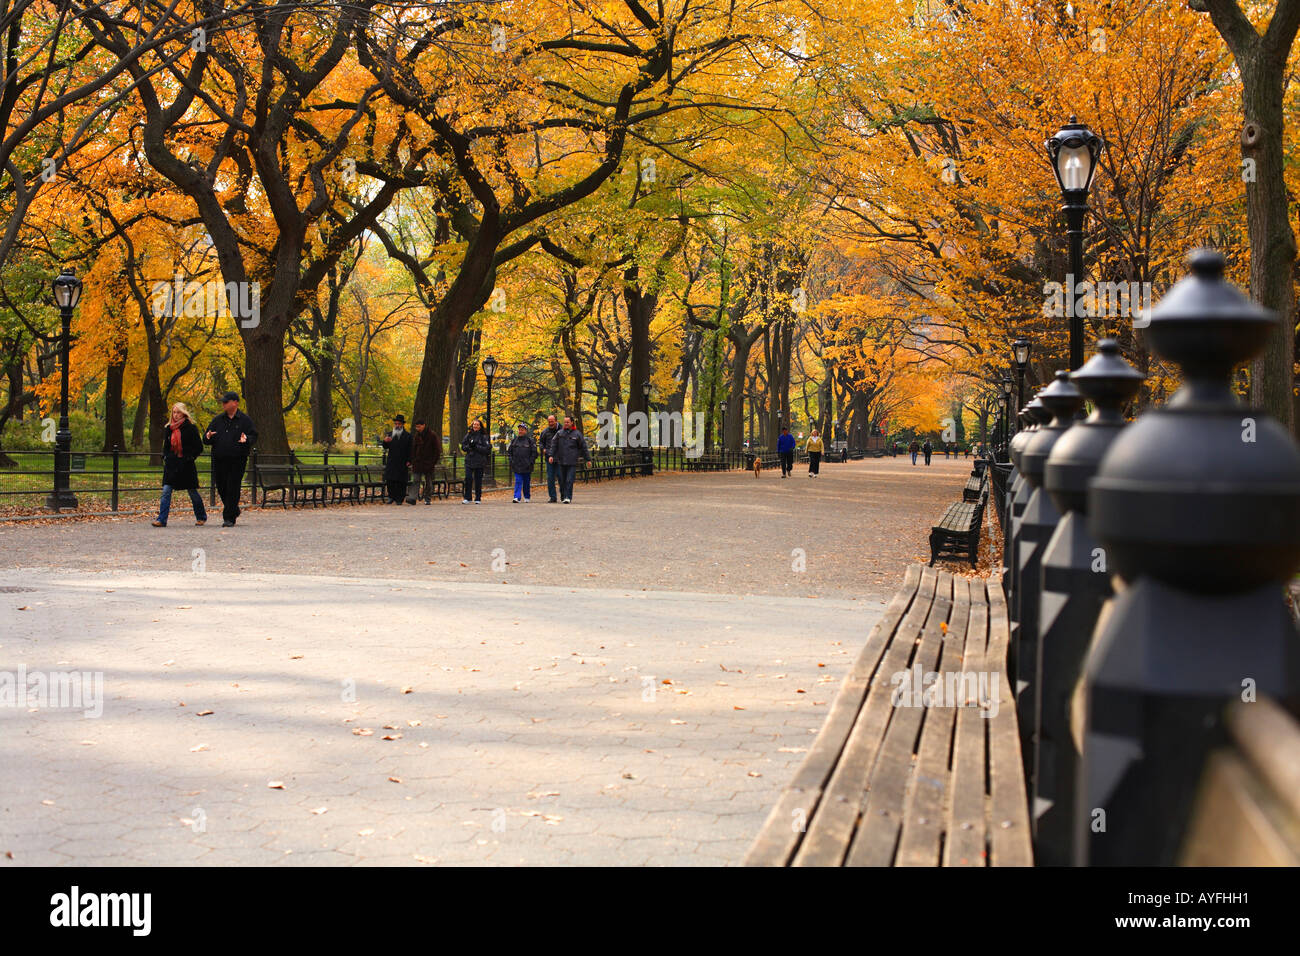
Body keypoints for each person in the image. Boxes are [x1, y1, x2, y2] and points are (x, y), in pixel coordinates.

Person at [204, 391, 257, 527]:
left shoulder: (245, 420)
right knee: (221, 486)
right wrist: (208, 436)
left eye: (226, 402)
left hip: (237, 459)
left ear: (235, 403)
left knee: (233, 486)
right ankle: (233, 509)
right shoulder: (217, 420)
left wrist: (247, 440)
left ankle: (229, 518)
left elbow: (253, 436)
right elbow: (206, 437)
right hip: (219, 458)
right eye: (223, 402)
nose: (223, 404)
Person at [152, 402, 207, 527]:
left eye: (178, 412)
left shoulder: (191, 428)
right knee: (166, 490)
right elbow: (166, 447)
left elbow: (198, 447)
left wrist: (190, 458)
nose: (175, 415)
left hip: (186, 466)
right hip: (171, 465)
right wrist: (166, 457)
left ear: (184, 413)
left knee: (192, 491)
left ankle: (201, 516)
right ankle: (162, 519)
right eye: (174, 412)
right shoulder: (169, 428)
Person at [548, 415, 589, 504]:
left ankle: (568, 497)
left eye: (567, 422)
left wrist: (588, 459)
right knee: (562, 480)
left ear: (572, 423)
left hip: (572, 461)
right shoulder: (559, 433)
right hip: (561, 461)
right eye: (565, 422)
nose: (566, 424)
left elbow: (583, 447)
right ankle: (563, 496)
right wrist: (551, 455)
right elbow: (553, 445)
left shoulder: (577, 434)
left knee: (569, 480)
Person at [381, 414, 412, 503]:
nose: (397, 425)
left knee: (401, 481)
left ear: (402, 424)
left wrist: (409, 460)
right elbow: (385, 446)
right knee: (390, 480)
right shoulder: (390, 434)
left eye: (399, 424)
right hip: (392, 460)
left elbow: (410, 449)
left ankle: (399, 498)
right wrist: (385, 441)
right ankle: (391, 496)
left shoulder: (408, 436)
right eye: (396, 424)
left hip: (402, 461)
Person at [461, 418, 490, 503]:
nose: (475, 426)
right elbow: (463, 446)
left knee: (478, 480)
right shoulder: (468, 435)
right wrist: (469, 447)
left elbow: (487, 449)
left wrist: (476, 447)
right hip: (469, 460)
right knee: (468, 478)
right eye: (474, 424)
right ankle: (467, 497)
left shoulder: (484, 437)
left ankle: (478, 497)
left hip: (480, 461)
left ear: (480, 426)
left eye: (477, 425)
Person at [410, 419, 437, 504]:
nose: (418, 428)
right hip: (418, 462)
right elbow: (413, 449)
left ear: (424, 425)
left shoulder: (432, 435)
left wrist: (433, 462)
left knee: (428, 481)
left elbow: (436, 450)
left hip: (428, 462)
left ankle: (427, 498)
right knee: (416, 480)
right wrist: (413, 459)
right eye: (416, 427)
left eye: (419, 426)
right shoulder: (417, 436)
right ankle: (413, 498)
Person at [508, 423, 537, 502]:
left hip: (527, 466)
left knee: (526, 482)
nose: (520, 431)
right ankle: (517, 497)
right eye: (519, 430)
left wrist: (531, 462)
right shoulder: (514, 441)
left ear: (525, 431)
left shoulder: (530, 441)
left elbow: (534, 453)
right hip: (517, 465)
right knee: (518, 481)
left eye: (522, 430)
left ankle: (527, 496)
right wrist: (511, 461)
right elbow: (509, 452)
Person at [538, 414, 561, 502]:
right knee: (550, 478)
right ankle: (553, 497)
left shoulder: (561, 430)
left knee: (561, 477)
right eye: (549, 421)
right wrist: (543, 449)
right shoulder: (545, 432)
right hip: (549, 458)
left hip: (559, 458)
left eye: (552, 421)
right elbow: (540, 442)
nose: (550, 423)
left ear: (556, 421)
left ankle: (563, 495)